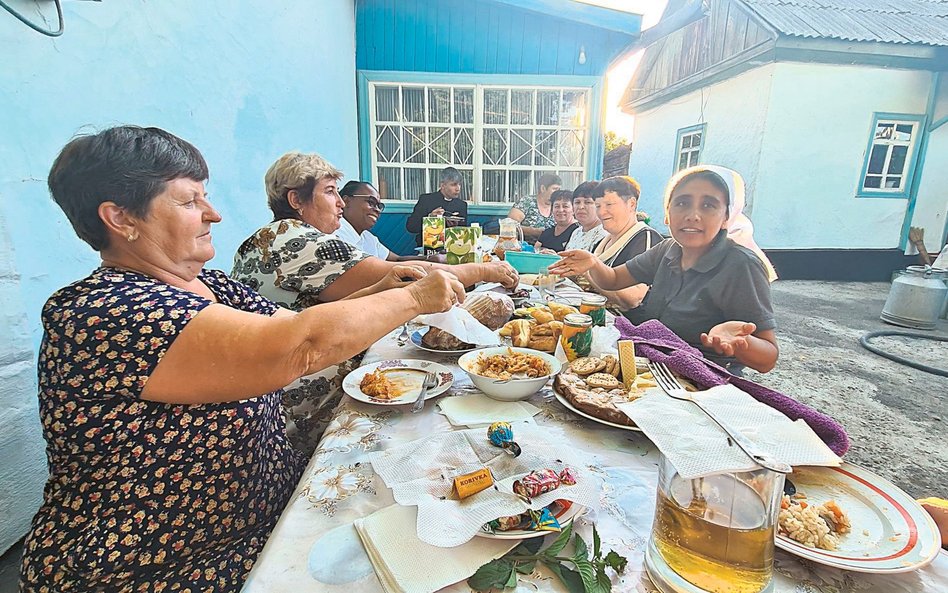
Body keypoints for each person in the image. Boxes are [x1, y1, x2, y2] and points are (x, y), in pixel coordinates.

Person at [19, 126, 463, 593]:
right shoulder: (101, 312)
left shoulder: (212, 285)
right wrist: (413, 298)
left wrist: (383, 289)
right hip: (166, 560)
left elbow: (307, 323)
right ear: (120, 218)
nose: (213, 213)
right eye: (190, 202)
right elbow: (297, 348)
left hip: (270, 506)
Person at [232, 152, 517, 452]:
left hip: (263, 389)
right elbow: (410, 277)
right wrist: (486, 270)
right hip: (288, 403)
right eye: (330, 192)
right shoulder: (298, 242)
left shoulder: (263, 238)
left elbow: (385, 279)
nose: (340, 202)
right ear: (296, 200)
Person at [550, 165, 779, 373]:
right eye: (682, 203)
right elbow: (613, 280)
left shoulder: (741, 265)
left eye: (708, 205)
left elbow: (768, 358)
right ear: (667, 213)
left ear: (726, 217)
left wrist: (741, 344)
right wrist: (593, 262)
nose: (693, 215)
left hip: (705, 378)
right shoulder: (668, 249)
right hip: (657, 364)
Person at [583, 176, 663, 309]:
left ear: (631, 204)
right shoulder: (601, 243)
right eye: (598, 206)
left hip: (626, 325)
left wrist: (588, 271)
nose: (601, 212)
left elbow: (634, 298)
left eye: (609, 205)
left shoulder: (645, 238)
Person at [336, 180, 427, 262]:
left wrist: (429, 259)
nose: (377, 210)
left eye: (379, 206)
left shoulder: (368, 238)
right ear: (346, 201)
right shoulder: (336, 235)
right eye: (371, 202)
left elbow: (397, 259)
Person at [405, 166, 468, 246]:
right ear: (443, 185)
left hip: (452, 248)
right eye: (453, 185)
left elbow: (463, 233)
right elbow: (411, 227)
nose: (458, 188)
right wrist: (429, 218)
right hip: (427, 247)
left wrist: (454, 226)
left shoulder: (461, 205)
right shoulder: (426, 200)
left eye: (459, 184)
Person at [508, 172, 561, 241]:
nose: (558, 192)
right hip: (525, 248)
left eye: (559, 189)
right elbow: (509, 225)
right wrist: (534, 231)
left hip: (551, 249)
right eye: (555, 189)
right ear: (543, 188)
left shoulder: (558, 206)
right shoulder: (526, 202)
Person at [564, 180, 608, 252]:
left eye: (588, 202)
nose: (581, 207)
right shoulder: (576, 232)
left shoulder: (603, 235)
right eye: (577, 202)